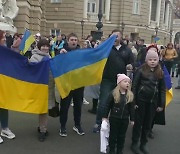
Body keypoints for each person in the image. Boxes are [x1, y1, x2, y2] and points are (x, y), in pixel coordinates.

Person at [93, 29, 134, 133]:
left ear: (121, 38)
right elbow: (95, 57)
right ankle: (99, 123)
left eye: (117, 36)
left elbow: (133, 63)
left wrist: (131, 66)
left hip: (121, 82)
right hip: (107, 79)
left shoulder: (127, 50)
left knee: (120, 103)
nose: (114, 38)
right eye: (112, 36)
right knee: (103, 102)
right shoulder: (106, 48)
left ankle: (115, 123)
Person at [131, 48, 166, 154]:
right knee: (138, 123)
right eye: (150, 59)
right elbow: (135, 86)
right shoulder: (141, 70)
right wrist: (134, 101)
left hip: (152, 102)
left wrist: (161, 104)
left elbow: (162, 89)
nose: (152, 61)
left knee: (148, 124)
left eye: (154, 60)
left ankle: (143, 143)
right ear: (146, 60)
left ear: (157, 60)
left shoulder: (160, 72)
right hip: (140, 101)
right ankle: (134, 143)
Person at [29, 39, 55, 142]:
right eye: (43, 46)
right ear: (39, 47)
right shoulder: (34, 57)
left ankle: (41, 127)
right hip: (39, 87)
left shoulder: (49, 56)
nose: (45, 48)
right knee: (42, 109)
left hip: (49, 87)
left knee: (45, 109)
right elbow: (32, 70)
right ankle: (42, 131)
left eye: (47, 46)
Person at [59, 33, 85, 137]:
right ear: (68, 41)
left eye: (75, 40)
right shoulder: (62, 51)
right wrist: (60, 55)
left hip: (79, 83)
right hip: (66, 83)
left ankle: (77, 125)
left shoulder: (81, 52)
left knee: (78, 106)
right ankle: (62, 126)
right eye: (71, 40)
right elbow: (56, 63)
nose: (73, 41)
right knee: (65, 106)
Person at [102, 74, 135, 154]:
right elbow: (107, 106)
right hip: (114, 118)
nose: (127, 83)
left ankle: (120, 150)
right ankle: (112, 149)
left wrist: (132, 119)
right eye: (125, 81)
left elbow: (131, 109)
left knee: (122, 136)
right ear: (119, 83)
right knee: (113, 135)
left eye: (129, 82)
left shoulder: (130, 95)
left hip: (124, 119)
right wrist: (105, 116)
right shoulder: (113, 93)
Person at [0, 30, 15, 144]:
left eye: (5, 37)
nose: (5, 39)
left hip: (4, 83)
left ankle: (4, 128)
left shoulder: (5, 51)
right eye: (3, 37)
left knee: (4, 105)